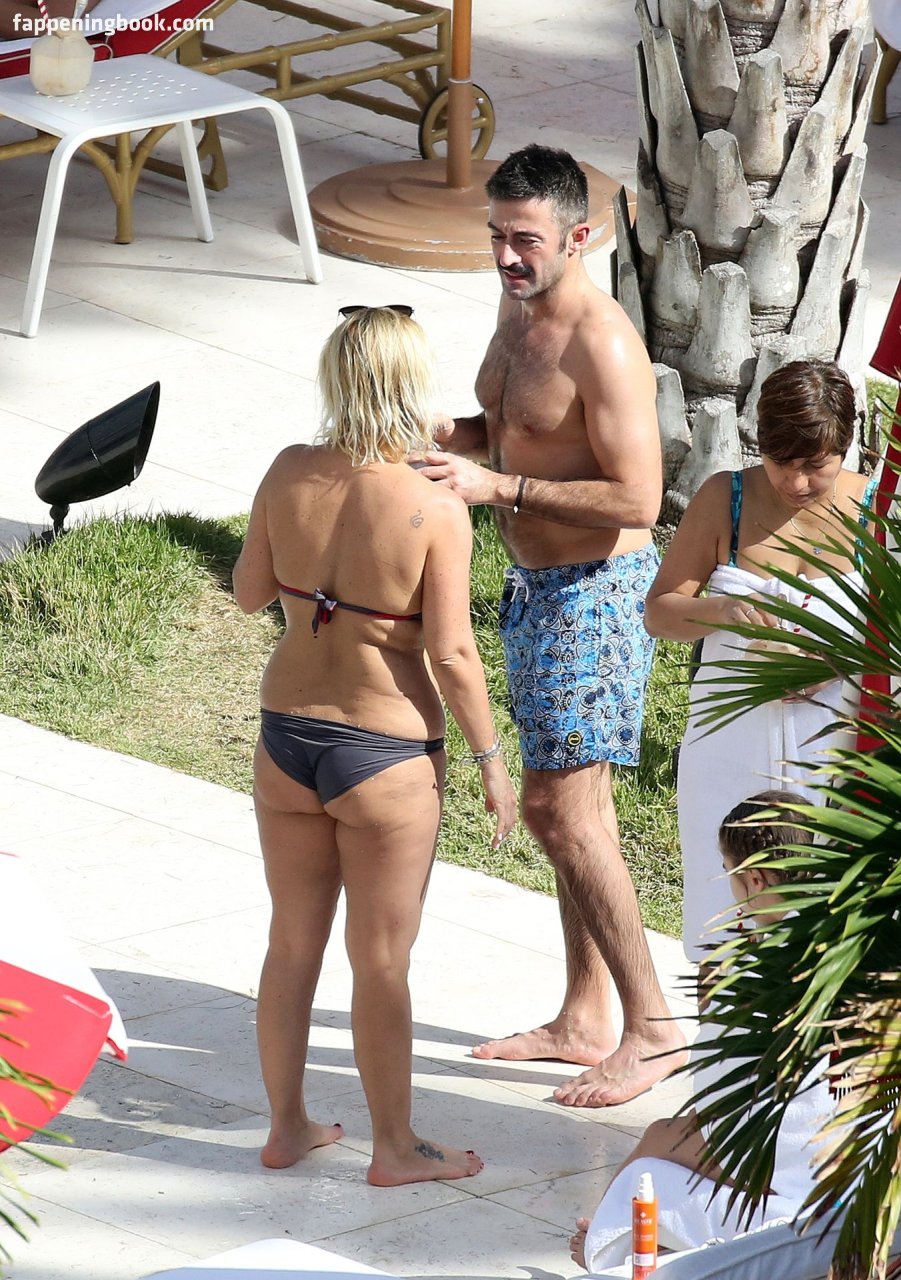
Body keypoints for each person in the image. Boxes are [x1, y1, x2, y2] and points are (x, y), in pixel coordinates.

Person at [421, 143, 686, 1108]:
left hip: (596, 596)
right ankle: (583, 1015)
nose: (504, 255)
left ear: (580, 236)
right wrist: (439, 438)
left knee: (558, 812)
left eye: (524, 239)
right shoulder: (516, 308)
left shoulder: (600, 343)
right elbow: (511, 432)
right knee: (577, 814)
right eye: (495, 234)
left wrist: (498, 487)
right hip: (537, 590)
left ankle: (653, 1030)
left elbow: (639, 498)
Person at [232, 306, 518, 1187]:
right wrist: (491, 762)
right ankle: (394, 1147)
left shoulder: (287, 468)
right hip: (384, 753)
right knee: (382, 962)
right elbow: (452, 654)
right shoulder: (434, 506)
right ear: (410, 386)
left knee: (290, 945)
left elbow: (248, 593)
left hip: (287, 735)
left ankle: (287, 1127)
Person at [644, 359, 877, 963]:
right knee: (721, 923)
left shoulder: (876, 509)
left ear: (845, 446)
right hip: (728, 747)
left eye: (815, 465)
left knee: (826, 934)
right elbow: (660, 612)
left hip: (833, 755)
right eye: (780, 462)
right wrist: (722, 612)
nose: (796, 483)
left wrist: (834, 661)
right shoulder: (725, 497)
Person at [569, 791, 831, 1272]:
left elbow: (717, 1096)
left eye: (729, 873)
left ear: (754, 879)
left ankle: (598, 1244)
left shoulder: (741, 968)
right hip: (850, 1163)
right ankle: (615, 1236)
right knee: (670, 1141)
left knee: (654, 1152)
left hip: (789, 1175)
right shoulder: (852, 943)